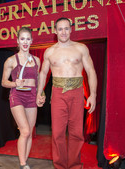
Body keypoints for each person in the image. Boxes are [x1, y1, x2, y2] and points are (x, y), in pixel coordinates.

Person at [36, 17, 97, 169]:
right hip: (57, 94)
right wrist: (39, 92)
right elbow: (43, 73)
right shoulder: (50, 52)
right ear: (55, 31)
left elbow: (91, 71)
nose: (63, 32)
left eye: (66, 28)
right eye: (60, 29)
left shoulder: (81, 48)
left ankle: (74, 165)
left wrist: (93, 94)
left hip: (77, 92)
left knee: (76, 133)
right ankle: (60, 166)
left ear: (71, 29)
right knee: (57, 133)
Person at [2, 27, 41, 169]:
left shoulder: (36, 60)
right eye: (22, 39)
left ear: (32, 41)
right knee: (24, 130)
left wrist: (39, 95)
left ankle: (25, 160)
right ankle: (23, 164)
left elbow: (37, 81)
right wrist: (14, 83)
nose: (25, 42)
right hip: (17, 96)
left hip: (31, 96)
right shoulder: (11, 60)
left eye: (28, 39)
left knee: (29, 132)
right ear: (18, 41)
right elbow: (3, 82)